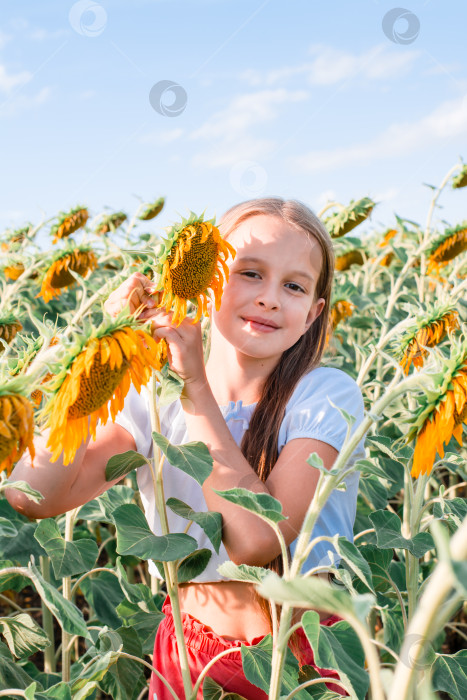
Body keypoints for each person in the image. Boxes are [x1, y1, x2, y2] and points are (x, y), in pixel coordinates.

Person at [8, 198, 366, 699]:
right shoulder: (153, 402)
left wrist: (195, 383)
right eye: (249, 273)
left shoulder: (326, 396)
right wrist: (95, 362)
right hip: (189, 656)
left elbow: (259, 541)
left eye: (293, 286)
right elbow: (34, 496)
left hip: (303, 656)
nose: (268, 298)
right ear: (206, 280)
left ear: (313, 314)